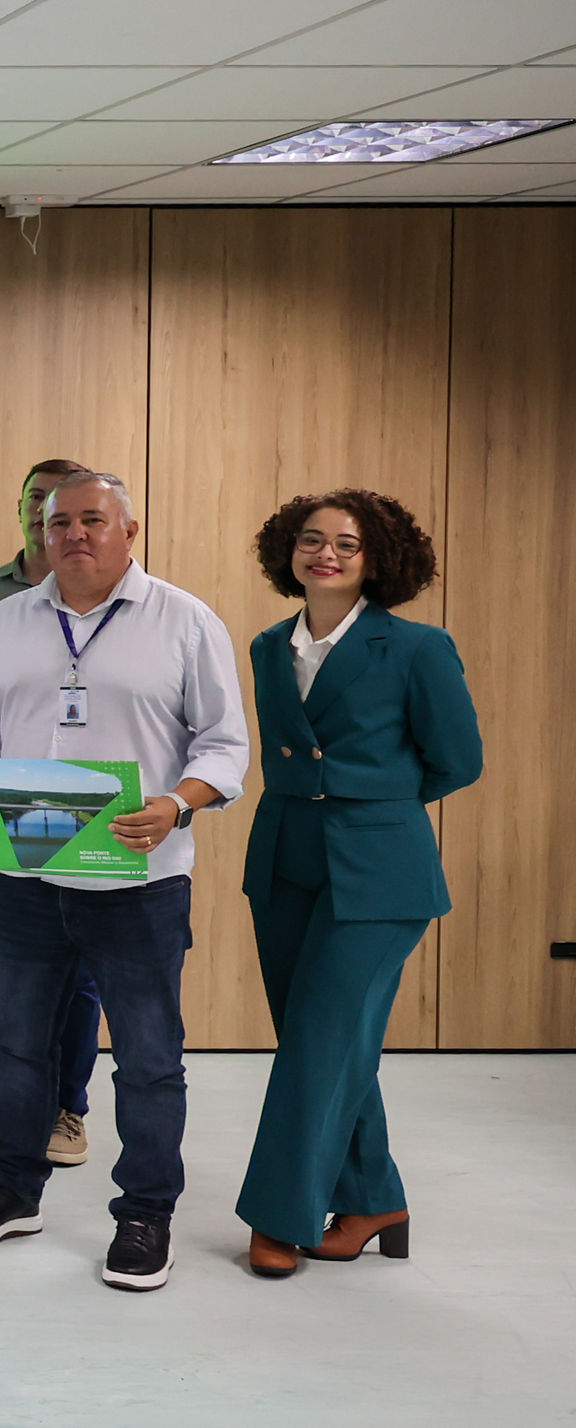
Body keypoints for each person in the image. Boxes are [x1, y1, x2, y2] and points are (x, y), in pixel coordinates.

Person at [0, 471, 248, 1292]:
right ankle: (15, 1186)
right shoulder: (8, 620)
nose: (72, 534)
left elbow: (224, 745)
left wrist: (177, 803)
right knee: (16, 1045)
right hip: (26, 874)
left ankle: (145, 1212)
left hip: (139, 879)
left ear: (129, 531)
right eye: (56, 520)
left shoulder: (184, 620)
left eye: (92, 520)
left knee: (146, 1057)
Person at [236, 492, 480, 1278]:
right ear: (289, 553)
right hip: (283, 860)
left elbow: (457, 760)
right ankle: (374, 1198)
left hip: (379, 871)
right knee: (329, 1043)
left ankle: (280, 1217)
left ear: (378, 558)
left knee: (318, 1040)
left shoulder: (418, 647)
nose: (326, 554)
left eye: (347, 543)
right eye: (311, 540)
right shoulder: (270, 646)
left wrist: (373, 807)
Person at [0, 458, 101, 1165]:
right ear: (24, 513)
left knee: (80, 973)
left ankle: (67, 1106)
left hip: (93, 813)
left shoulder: (115, 595)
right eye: (39, 502)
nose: (55, 518)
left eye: (73, 509)